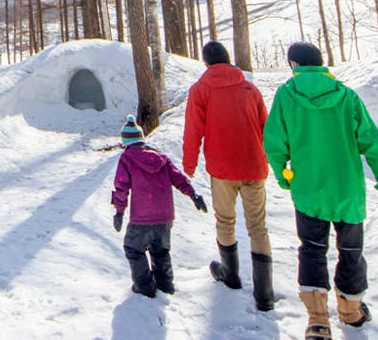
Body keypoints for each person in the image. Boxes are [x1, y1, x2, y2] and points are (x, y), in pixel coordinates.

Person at [264, 42, 378, 340]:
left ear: (294, 64)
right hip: (347, 191)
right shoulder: (347, 96)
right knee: (351, 252)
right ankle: (351, 310)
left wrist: (285, 175)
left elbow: (274, 142)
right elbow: (373, 145)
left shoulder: (287, 95)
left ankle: (317, 322)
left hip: (308, 190)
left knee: (312, 251)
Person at [182, 40, 274, 311]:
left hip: (223, 169)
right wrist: (271, 159)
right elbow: (266, 127)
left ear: (207, 63)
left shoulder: (201, 90)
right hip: (253, 165)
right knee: (258, 226)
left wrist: (189, 166)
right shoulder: (249, 88)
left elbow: (193, 129)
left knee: (225, 220)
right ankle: (264, 293)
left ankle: (231, 274)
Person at [112, 115, 207, 298]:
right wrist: (193, 195)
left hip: (142, 217)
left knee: (133, 248)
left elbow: (121, 187)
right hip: (164, 216)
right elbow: (179, 178)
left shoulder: (127, 159)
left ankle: (144, 286)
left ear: (125, 141)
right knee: (161, 251)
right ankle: (165, 285)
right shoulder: (162, 157)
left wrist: (119, 212)